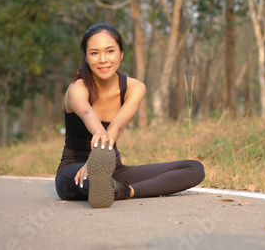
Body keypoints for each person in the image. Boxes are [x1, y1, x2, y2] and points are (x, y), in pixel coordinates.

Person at [55, 23, 205, 208]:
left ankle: (123, 191)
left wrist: (99, 160)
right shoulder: (77, 88)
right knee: (93, 178)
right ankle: (103, 183)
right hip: (74, 167)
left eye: (110, 51)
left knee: (194, 168)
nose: (103, 59)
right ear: (86, 57)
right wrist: (94, 153)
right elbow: (87, 112)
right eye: (94, 53)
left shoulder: (134, 87)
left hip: (113, 169)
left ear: (121, 53)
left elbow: (117, 125)